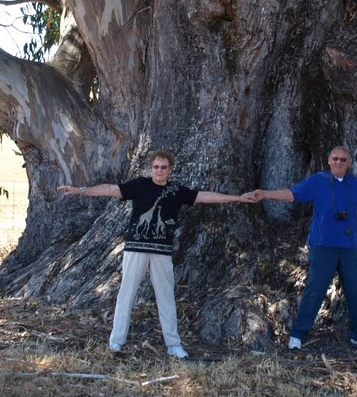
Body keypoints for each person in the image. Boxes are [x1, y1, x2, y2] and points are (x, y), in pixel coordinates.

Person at [58, 149, 254, 359]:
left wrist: (237, 198)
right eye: (156, 167)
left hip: (162, 251)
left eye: (164, 167)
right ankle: (116, 342)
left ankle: (173, 344)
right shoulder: (139, 185)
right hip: (136, 248)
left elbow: (204, 196)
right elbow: (110, 189)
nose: (159, 171)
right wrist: (82, 190)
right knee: (126, 294)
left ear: (170, 170)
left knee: (166, 296)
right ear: (151, 168)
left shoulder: (176, 190)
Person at [251, 145, 357, 352]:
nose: (339, 162)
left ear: (349, 163)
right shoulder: (318, 181)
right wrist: (265, 194)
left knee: (355, 291)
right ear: (329, 160)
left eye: (343, 160)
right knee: (315, 290)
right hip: (322, 246)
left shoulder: (354, 184)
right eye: (335, 159)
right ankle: (297, 335)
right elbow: (291, 194)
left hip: (348, 247)